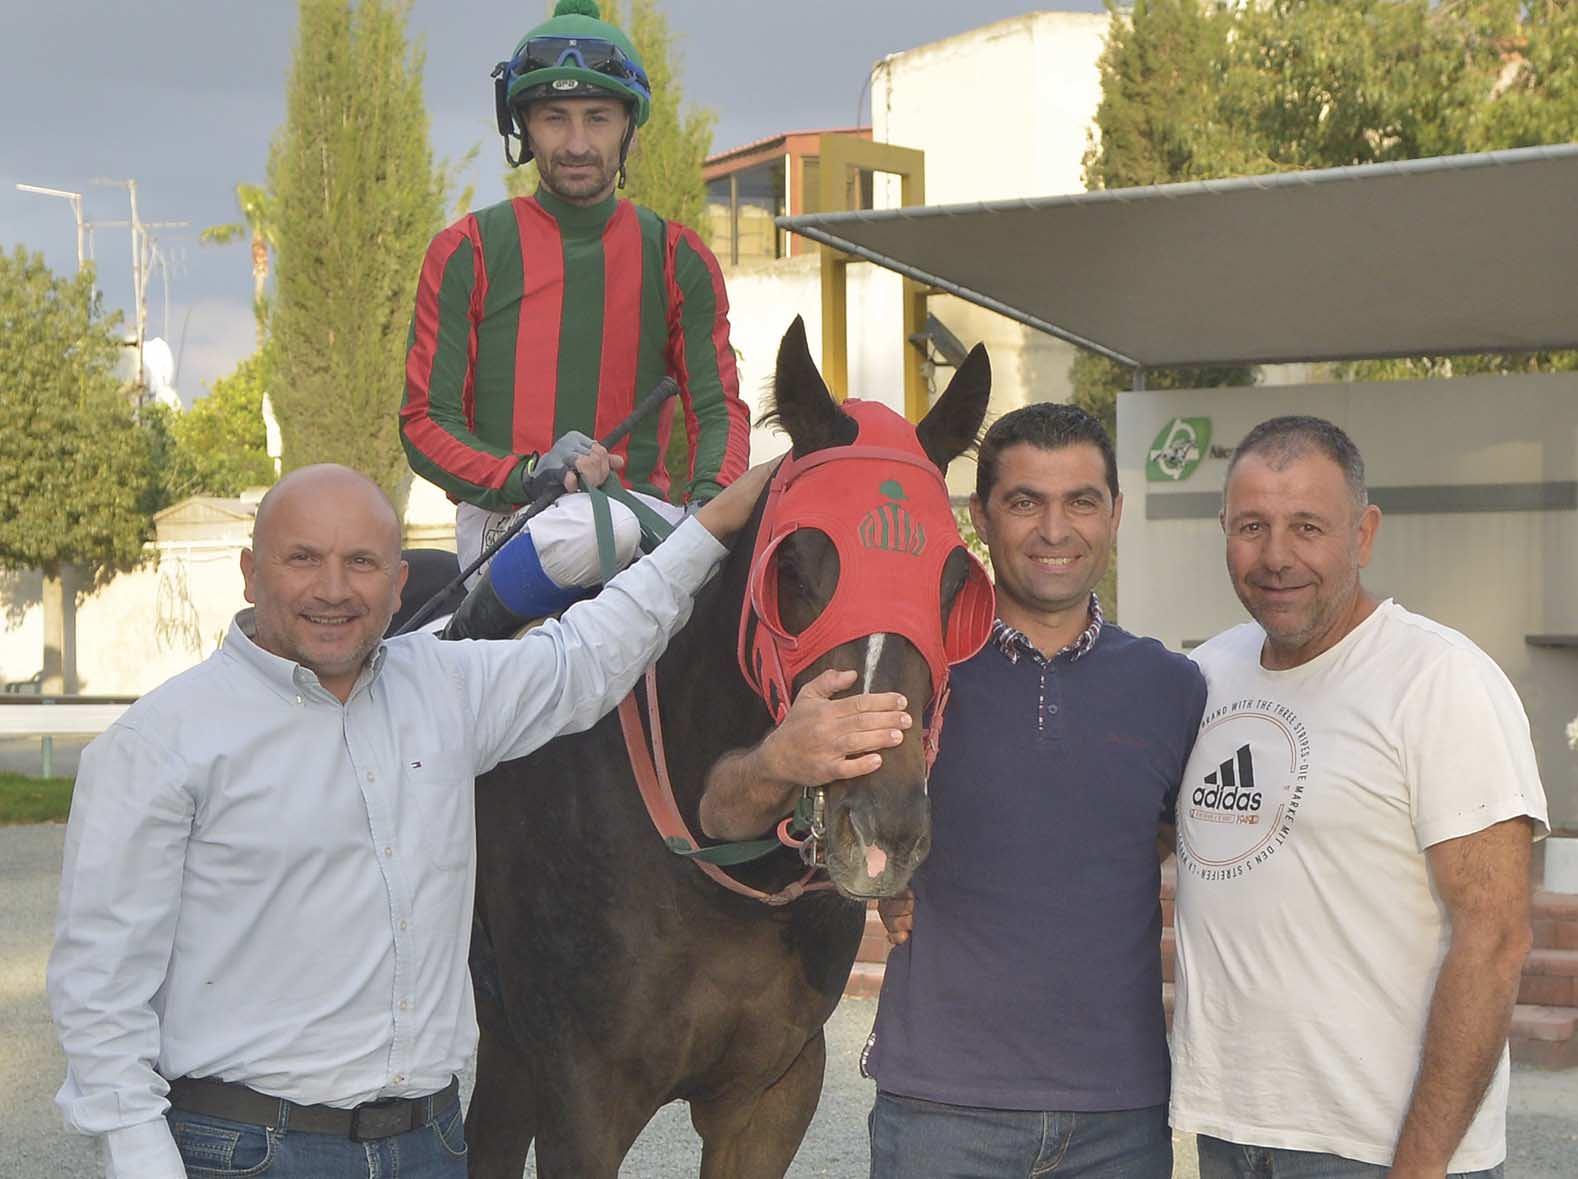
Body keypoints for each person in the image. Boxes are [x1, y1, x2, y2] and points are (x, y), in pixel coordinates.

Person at [46, 452, 775, 1179]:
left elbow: (587, 654)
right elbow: (99, 987)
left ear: (398, 585)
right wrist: (138, 1153)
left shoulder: (445, 688)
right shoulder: (158, 743)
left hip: (428, 1146)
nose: (334, 589)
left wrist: (714, 522)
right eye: (303, 558)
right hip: (248, 1151)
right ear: (249, 572)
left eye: (361, 563)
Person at [722, 402, 1207, 1177]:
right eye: (1026, 501)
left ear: (1115, 513)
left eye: (1081, 501)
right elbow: (725, 811)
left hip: (1120, 1122)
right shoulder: (911, 673)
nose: (1055, 529)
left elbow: (1181, 843)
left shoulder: (1173, 687)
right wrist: (781, 767)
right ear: (979, 516)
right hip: (942, 1118)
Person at [1170, 416, 1548, 1179]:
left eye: (1308, 526)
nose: (1277, 556)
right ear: (1224, 531)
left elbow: (1496, 938)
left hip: (1383, 1151)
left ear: (1364, 534)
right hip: (1232, 1135)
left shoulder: (1438, 680)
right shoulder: (1203, 676)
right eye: (1252, 526)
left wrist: (1420, 1163)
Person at [399, 0, 749, 640]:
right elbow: (425, 423)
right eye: (555, 118)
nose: (579, 143)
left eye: (598, 117)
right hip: (511, 519)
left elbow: (717, 407)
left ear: (628, 129)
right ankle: (464, 643)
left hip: (641, 519)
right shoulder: (466, 251)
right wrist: (528, 472)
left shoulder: (678, 257)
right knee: (594, 529)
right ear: (525, 129)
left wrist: (708, 505)